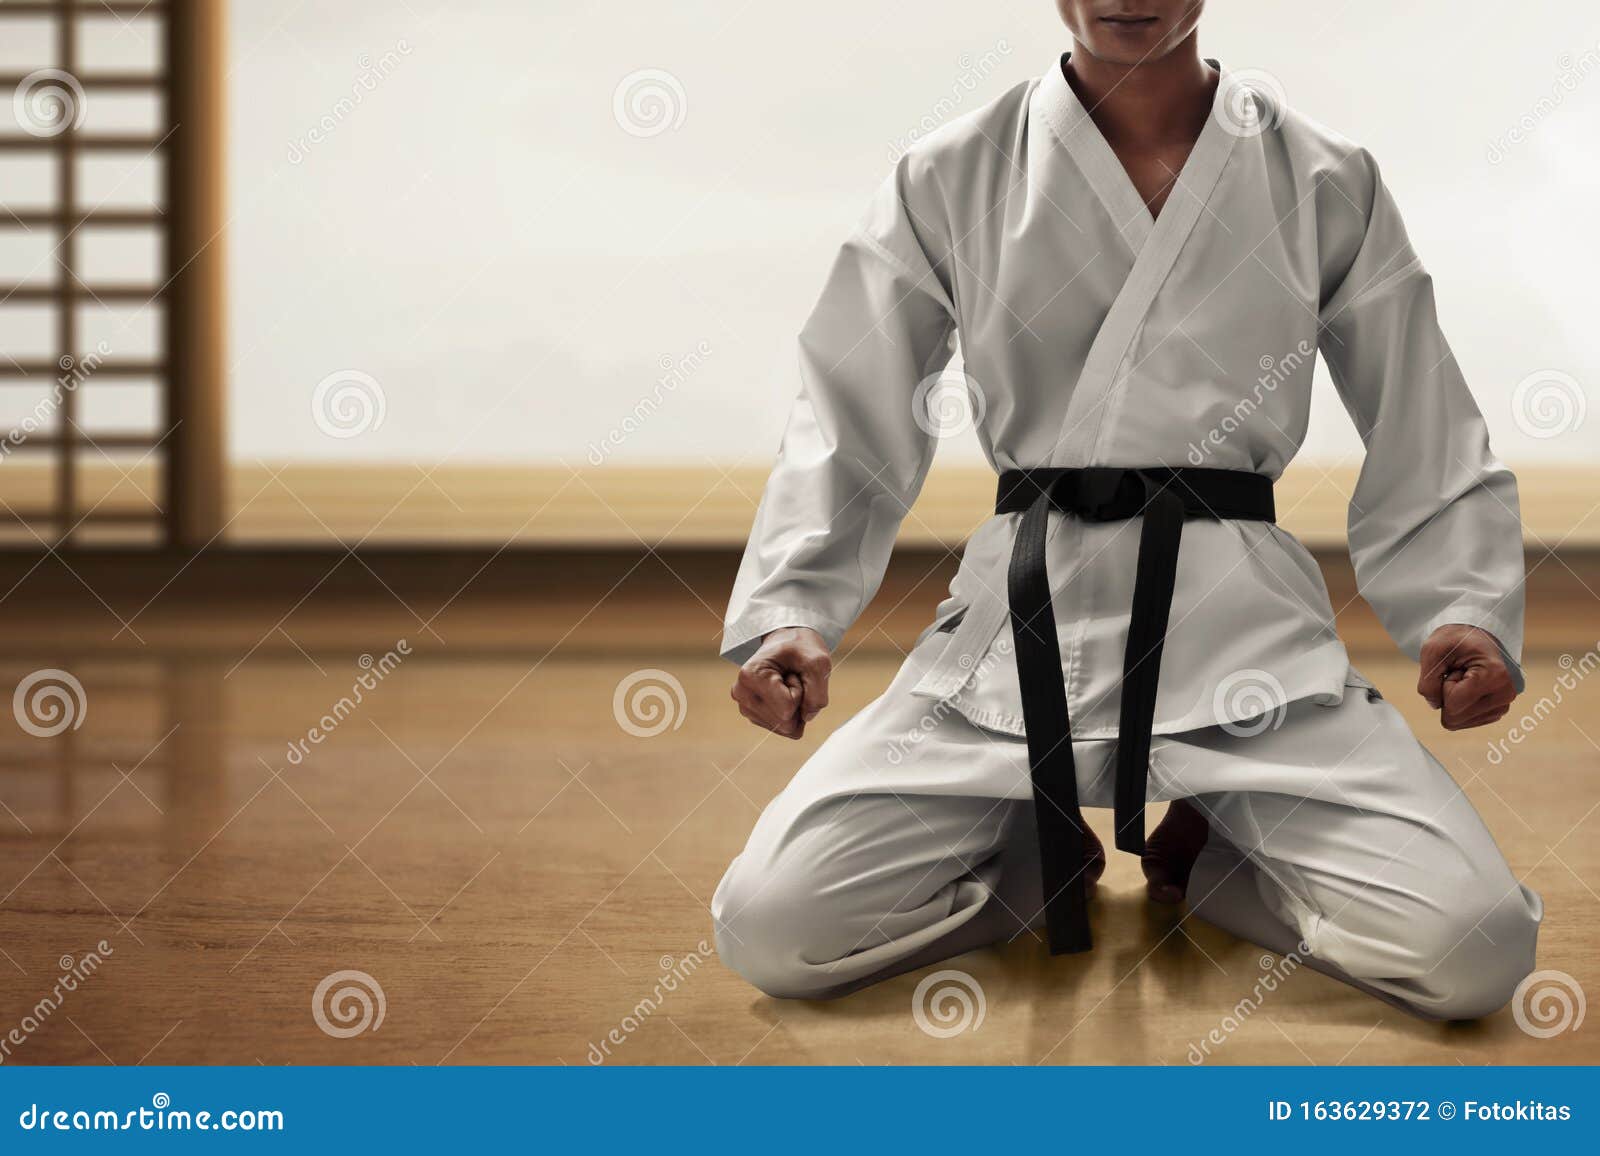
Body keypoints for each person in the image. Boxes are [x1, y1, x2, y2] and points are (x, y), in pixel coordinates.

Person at [711, 0, 1541, 1019]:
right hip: (1015, 641)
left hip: (1243, 647)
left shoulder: (1323, 177)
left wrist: (1458, 606)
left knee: (1474, 950)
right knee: (771, 924)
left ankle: (1217, 852)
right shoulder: (951, 172)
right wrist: (793, 606)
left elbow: (1420, 412)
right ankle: (1027, 844)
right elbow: (850, 406)